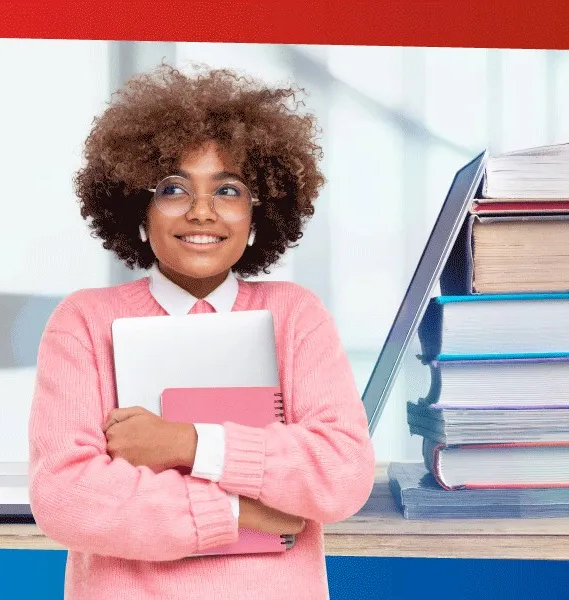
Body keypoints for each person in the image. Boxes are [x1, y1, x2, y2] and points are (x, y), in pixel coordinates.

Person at [27, 64, 376, 600]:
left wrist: (185, 443)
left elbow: (341, 472)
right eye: (173, 188)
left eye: (229, 190)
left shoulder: (295, 316)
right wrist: (242, 511)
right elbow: (67, 495)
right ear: (136, 207)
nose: (202, 211)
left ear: (259, 214)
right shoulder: (85, 322)